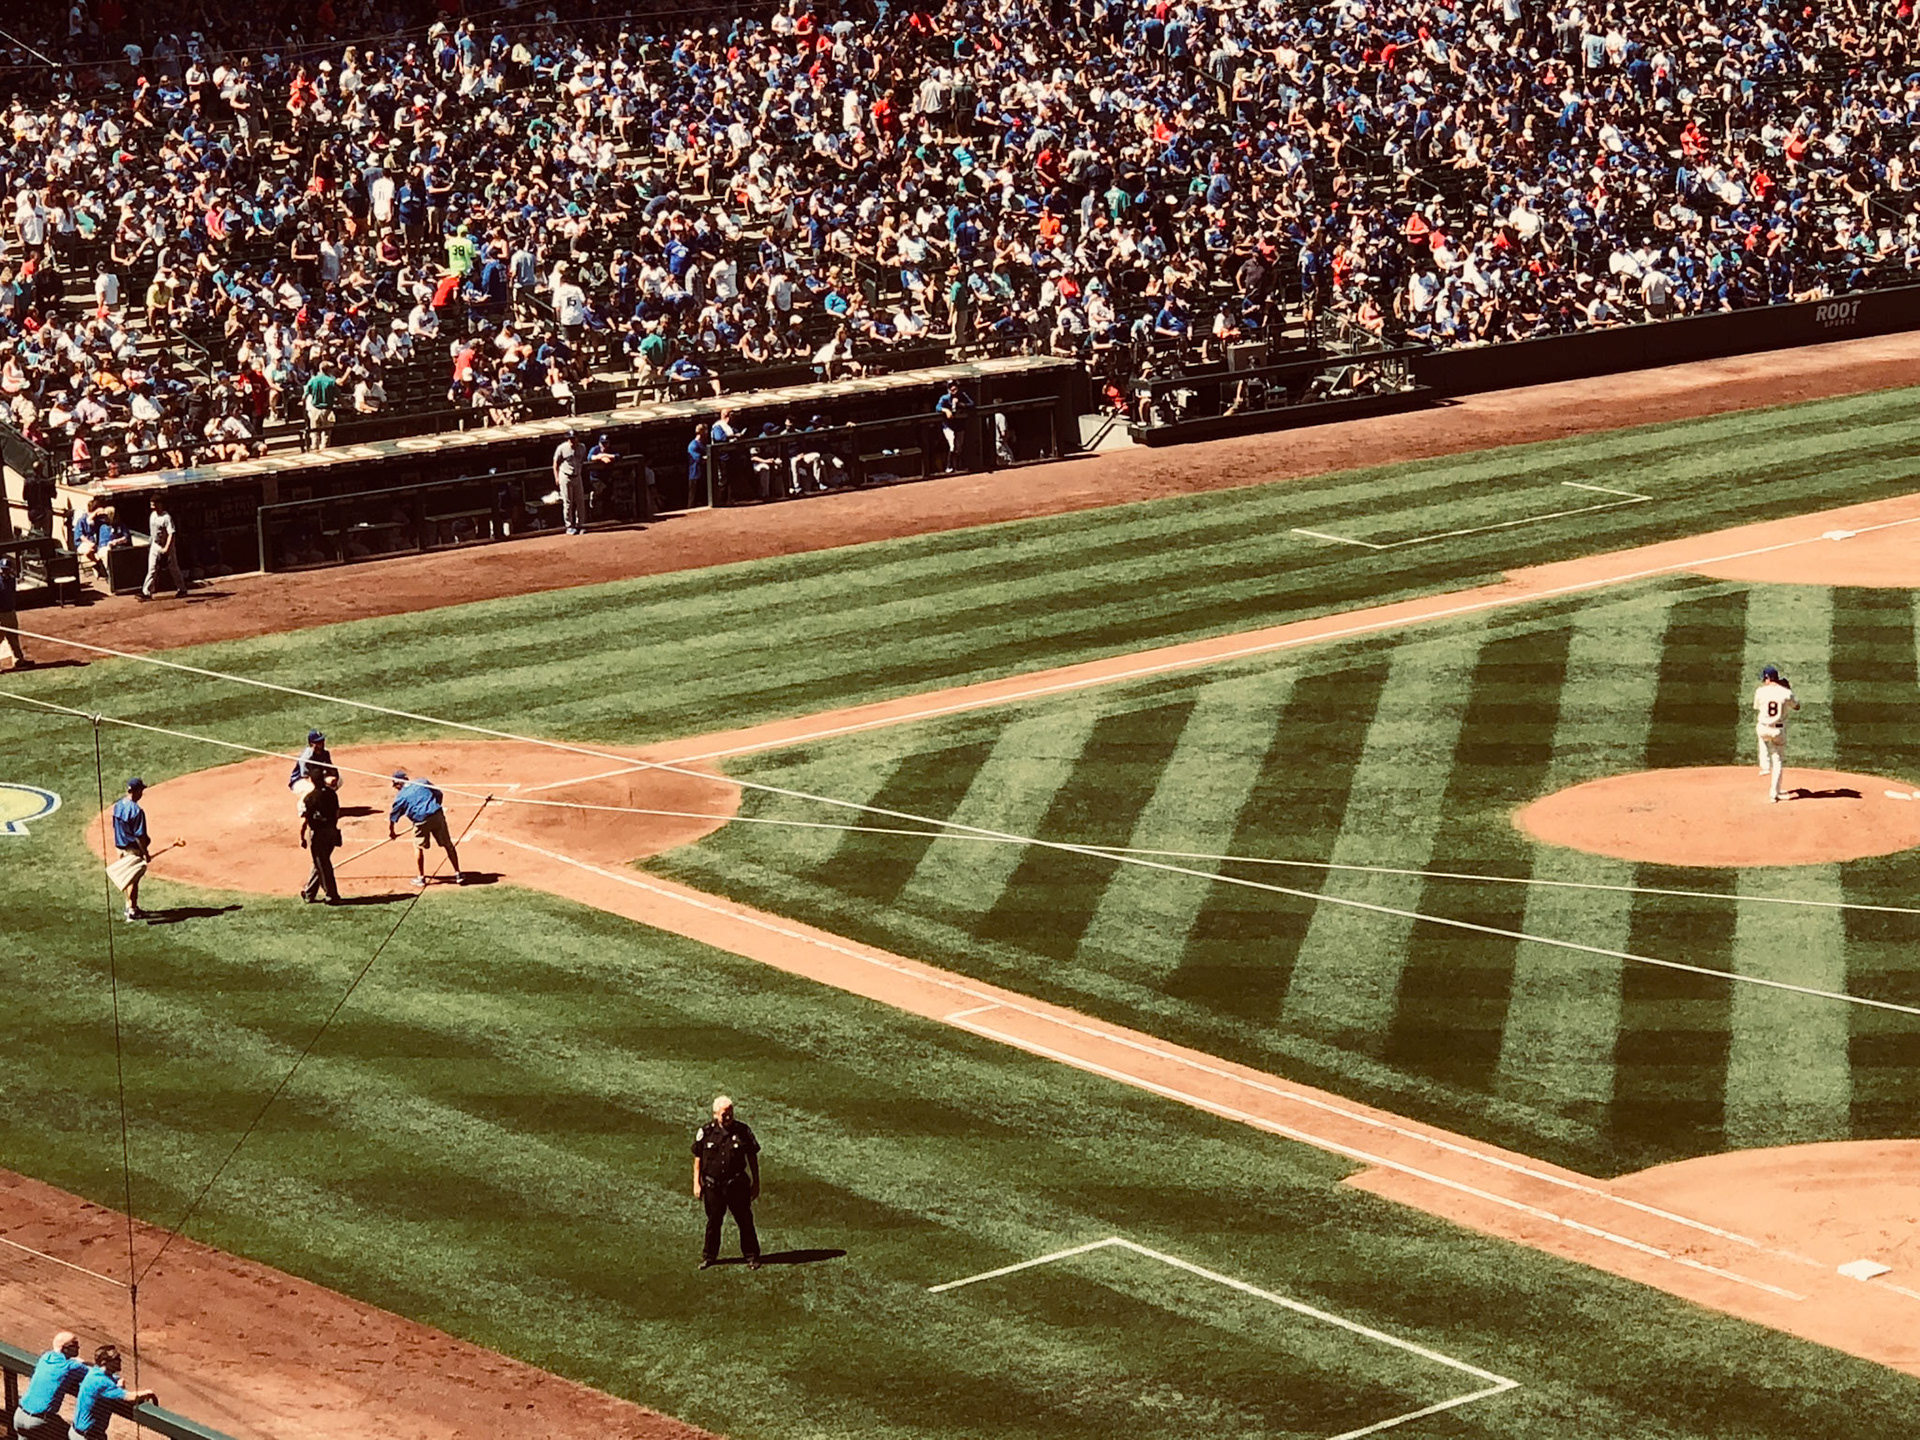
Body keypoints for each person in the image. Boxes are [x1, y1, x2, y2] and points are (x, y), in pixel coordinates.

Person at [692, 1094, 761, 1271]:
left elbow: (752, 1157)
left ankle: (752, 1256)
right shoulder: (706, 1133)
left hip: (737, 1185)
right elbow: (698, 1158)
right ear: (715, 1114)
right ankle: (709, 1257)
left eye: (730, 1113)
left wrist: (756, 1182)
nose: (728, 1117)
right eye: (724, 1114)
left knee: (745, 1221)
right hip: (713, 1186)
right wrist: (696, 1183)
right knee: (713, 1222)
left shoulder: (743, 1131)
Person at [388, 769, 466, 886]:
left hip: (421, 821)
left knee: (418, 847)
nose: (396, 789)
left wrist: (392, 832)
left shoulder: (401, 797)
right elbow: (439, 794)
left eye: (395, 786)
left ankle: (421, 877)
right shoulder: (422, 782)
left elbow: (393, 817)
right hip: (437, 815)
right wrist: (435, 809)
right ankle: (458, 873)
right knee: (448, 844)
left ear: (399, 784)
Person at [71, 1346, 155, 1440]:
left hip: (78, 1432)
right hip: (87, 1436)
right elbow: (130, 1397)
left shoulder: (95, 1372)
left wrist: (118, 1382)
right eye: (116, 1359)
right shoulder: (102, 1382)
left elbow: (110, 1380)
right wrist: (148, 1393)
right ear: (104, 1363)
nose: (120, 1361)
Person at [13, 1330, 87, 1437]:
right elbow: (95, 1375)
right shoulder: (71, 1367)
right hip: (39, 1422)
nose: (78, 1347)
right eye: (74, 1345)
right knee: (71, 1436)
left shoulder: (45, 1357)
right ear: (65, 1348)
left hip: (19, 1416)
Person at [1753, 664, 1801, 804]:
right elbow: (1797, 706)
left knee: (1761, 737)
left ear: (1767, 678)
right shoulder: (1785, 692)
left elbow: (1757, 707)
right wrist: (1788, 690)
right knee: (1778, 760)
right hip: (1778, 730)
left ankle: (1764, 766)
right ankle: (1774, 793)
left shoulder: (1760, 691)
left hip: (1763, 727)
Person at [111, 778, 152, 922]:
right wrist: (145, 853)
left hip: (119, 847)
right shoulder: (137, 811)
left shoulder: (117, 805)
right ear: (136, 791)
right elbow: (140, 836)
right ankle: (132, 911)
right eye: (141, 790)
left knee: (127, 877)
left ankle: (129, 905)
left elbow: (115, 826)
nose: (142, 793)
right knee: (133, 879)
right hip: (132, 849)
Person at [299, 777, 343, 904]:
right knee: (319, 863)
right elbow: (337, 813)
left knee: (323, 865)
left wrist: (302, 837)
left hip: (319, 835)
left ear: (312, 781)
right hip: (331, 832)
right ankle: (309, 893)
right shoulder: (332, 794)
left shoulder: (310, 798)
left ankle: (331, 895)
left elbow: (304, 821)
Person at [137, 497, 188, 602]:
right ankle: (146, 592)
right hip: (155, 545)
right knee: (152, 569)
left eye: (154, 504)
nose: (152, 506)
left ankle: (182, 589)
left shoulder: (166, 517)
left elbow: (171, 533)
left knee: (173, 568)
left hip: (167, 545)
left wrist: (166, 548)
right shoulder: (152, 515)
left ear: (159, 504)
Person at [288, 728, 341, 815]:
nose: (322, 743)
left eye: (322, 740)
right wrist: (323, 782)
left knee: (339, 781)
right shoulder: (306, 758)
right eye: (319, 742)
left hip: (316, 777)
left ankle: (323, 803)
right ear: (312, 744)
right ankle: (303, 808)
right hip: (299, 781)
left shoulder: (325, 753)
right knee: (312, 788)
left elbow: (331, 769)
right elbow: (306, 777)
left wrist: (333, 777)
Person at [553, 429, 590, 535]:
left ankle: (580, 525)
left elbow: (583, 460)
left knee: (580, 501)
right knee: (568, 502)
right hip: (565, 476)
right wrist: (557, 477)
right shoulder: (562, 448)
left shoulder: (582, 447)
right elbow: (555, 463)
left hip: (577, 476)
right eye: (570, 439)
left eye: (573, 438)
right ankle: (569, 526)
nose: (572, 441)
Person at [934, 380, 974, 473]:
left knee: (959, 447)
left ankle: (958, 467)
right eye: (950, 387)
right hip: (948, 426)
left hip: (960, 425)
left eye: (954, 386)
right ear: (948, 389)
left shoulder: (962, 395)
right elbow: (937, 407)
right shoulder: (944, 398)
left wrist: (961, 404)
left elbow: (972, 404)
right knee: (952, 445)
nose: (953, 389)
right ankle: (949, 466)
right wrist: (946, 410)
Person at [0, 554, 29, 671]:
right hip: (0, 614)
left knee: (13, 637)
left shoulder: (12, 580)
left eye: (6, 569)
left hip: (11, 612)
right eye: (2, 569)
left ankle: (19, 660)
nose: (4, 572)